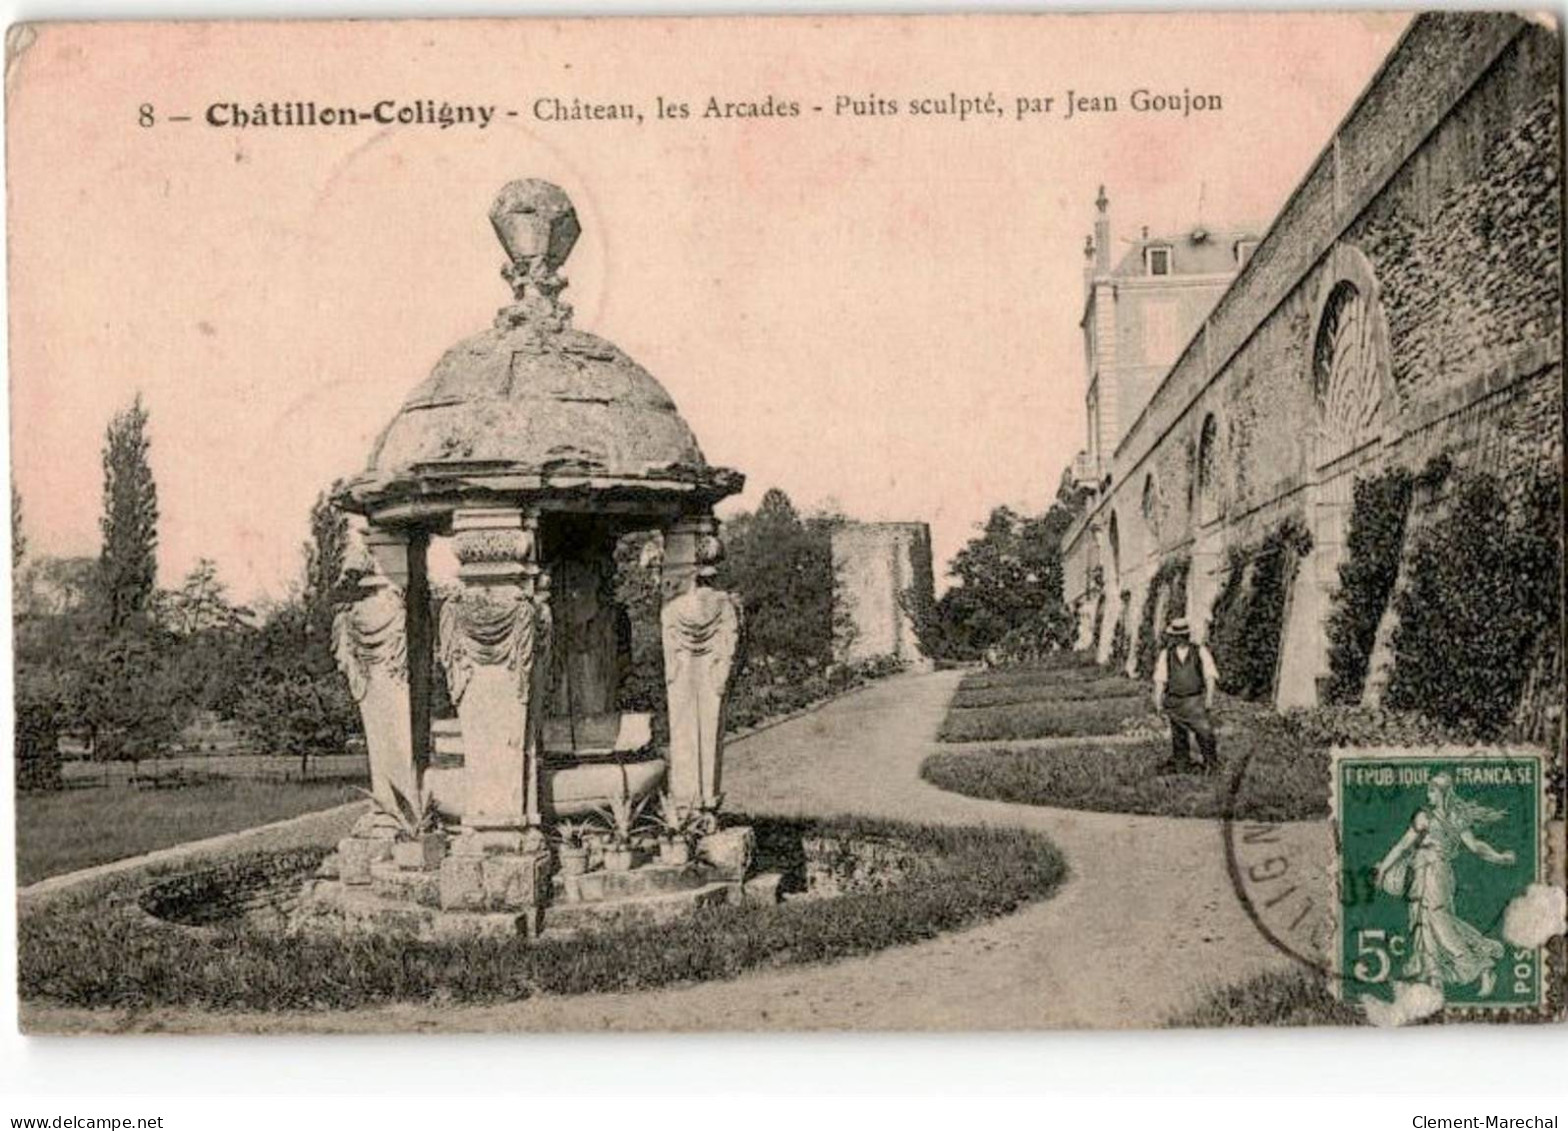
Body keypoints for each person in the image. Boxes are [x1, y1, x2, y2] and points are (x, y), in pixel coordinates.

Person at [1372, 773, 1514, 998]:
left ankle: (1482, 967)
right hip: (1420, 873)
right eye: (1428, 791)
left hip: (1438, 874)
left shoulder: (1456, 817)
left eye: (1432, 791)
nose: (1429, 795)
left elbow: (1475, 846)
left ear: (1444, 792)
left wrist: (1499, 858)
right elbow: (1402, 846)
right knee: (1423, 921)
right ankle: (1434, 979)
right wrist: (1383, 870)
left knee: (1440, 921)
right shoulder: (1423, 816)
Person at [1151, 617, 1220, 774]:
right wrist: (1158, 700)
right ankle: (1182, 765)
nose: (1181, 638)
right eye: (1177, 635)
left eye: (1184, 635)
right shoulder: (1166, 654)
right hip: (1174, 701)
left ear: (1188, 635)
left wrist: (1209, 698)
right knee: (1179, 736)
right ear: (1173, 637)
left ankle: (1211, 764)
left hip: (1194, 701)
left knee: (1204, 732)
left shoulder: (1200, 651)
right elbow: (1160, 679)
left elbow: (1210, 676)